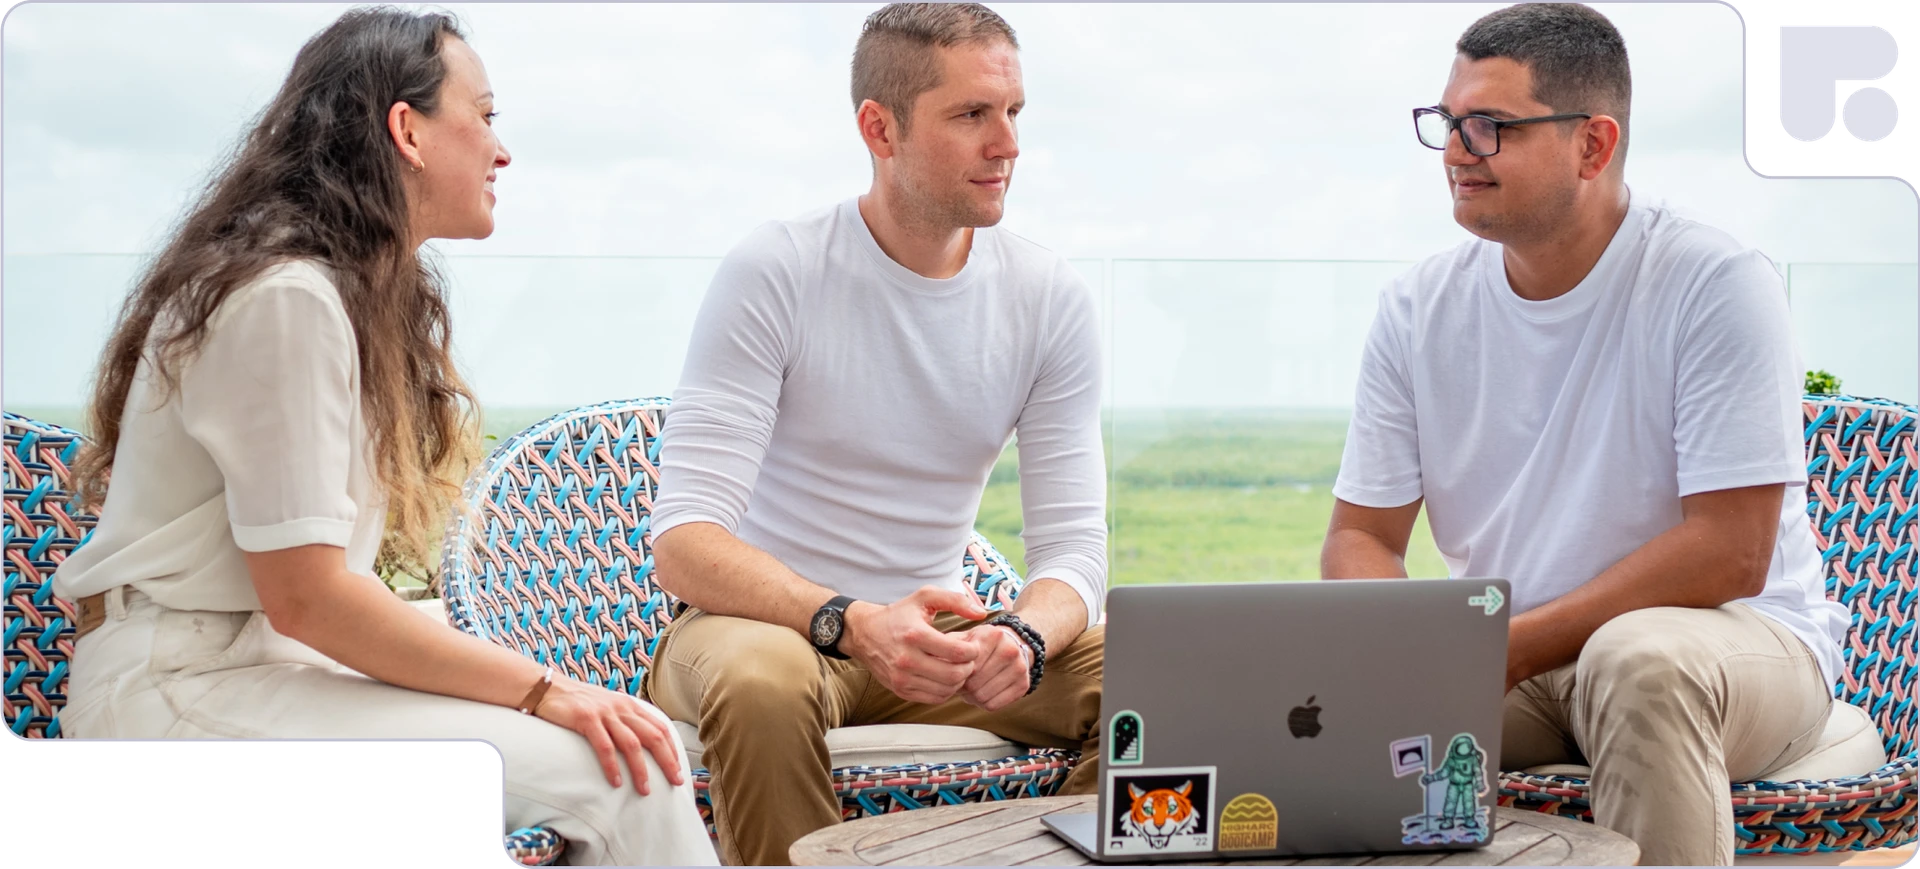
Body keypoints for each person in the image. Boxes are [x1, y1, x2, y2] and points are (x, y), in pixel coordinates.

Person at [50, 8, 719, 865]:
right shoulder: (284, 295)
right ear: (406, 129)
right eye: (483, 117)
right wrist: (546, 691)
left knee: (618, 730)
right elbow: (312, 598)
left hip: (257, 661)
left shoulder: (333, 290)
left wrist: (542, 683)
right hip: (180, 693)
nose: (500, 150)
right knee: (626, 766)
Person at [1319, 4, 1853, 865]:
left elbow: (1731, 551)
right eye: (1449, 122)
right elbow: (1361, 535)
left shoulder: (1715, 283)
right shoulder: (1417, 308)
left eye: (1490, 126)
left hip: (1733, 648)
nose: (1458, 150)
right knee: (1324, 704)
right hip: (1526, 660)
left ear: (1593, 146)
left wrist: (1504, 645)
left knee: (1637, 659)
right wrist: (1412, 647)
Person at [644, 3, 1108, 864]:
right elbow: (684, 543)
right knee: (761, 681)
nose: (1006, 144)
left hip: (931, 653)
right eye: (972, 115)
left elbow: (1076, 549)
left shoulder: (1050, 297)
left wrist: (1028, 635)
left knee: (1149, 674)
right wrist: (851, 622)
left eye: (1013, 113)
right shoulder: (777, 270)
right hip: (763, 630)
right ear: (879, 128)